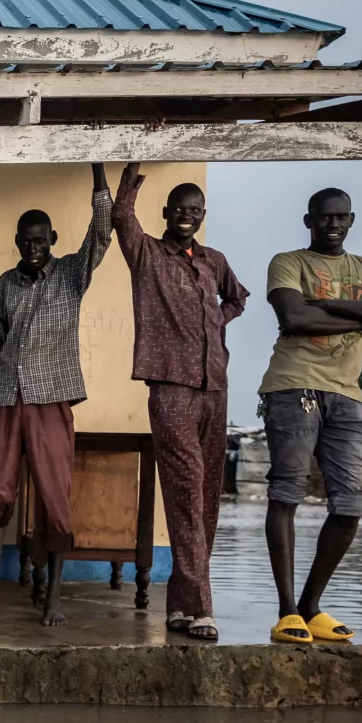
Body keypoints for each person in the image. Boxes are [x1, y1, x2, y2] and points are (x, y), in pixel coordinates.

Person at [259, 188, 362, 645]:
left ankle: (311, 606)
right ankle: (287, 612)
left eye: (341, 217)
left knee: (351, 504)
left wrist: (322, 306)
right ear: (309, 221)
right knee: (287, 491)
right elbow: (292, 314)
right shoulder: (288, 262)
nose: (333, 225)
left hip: (347, 396)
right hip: (293, 386)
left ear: (351, 220)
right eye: (324, 218)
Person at [0, 163, 113, 627]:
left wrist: (98, 174)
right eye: (25, 241)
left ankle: (53, 599)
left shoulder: (71, 274)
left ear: (52, 237)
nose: (33, 247)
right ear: (17, 242)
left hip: (52, 400)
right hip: (7, 400)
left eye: (40, 239)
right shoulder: (6, 284)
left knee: (55, 498)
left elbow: (101, 235)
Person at [112, 164, 251, 642]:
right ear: (167, 213)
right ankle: (203, 609)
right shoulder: (148, 254)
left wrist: (214, 321)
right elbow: (121, 219)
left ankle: (179, 606)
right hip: (170, 389)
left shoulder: (213, 260)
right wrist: (131, 175)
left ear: (202, 215)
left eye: (195, 210)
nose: (187, 216)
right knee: (187, 493)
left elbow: (238, 299)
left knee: (207, 498)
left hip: (215, 388)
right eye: (179, 210)